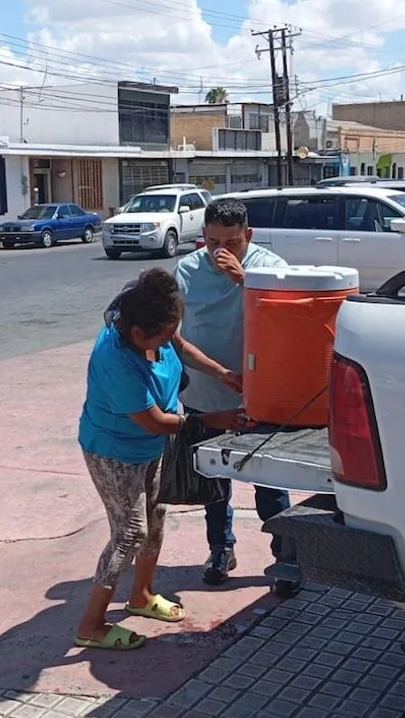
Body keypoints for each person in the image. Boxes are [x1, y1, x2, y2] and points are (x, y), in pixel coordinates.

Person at [74, 268, 242, 650]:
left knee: (156, 516)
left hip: (150, 447)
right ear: (137, 333)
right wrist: (211, 420)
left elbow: (179, 347)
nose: (170, 338)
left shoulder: (156, 326)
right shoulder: (115, 359)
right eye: (164, 334)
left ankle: (142, 595)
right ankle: (90, 625)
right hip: (113, 451)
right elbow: (153, 421)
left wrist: (222, 373)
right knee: (130, 532)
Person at [174, 199, 301, 597]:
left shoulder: (270, 267)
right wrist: (215, 372)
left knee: (269, 482)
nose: (221, 251)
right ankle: (220, 549)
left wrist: (244, 279)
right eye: (213, 242)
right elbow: (174, 334)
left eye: (231, 242)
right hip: (205, 393)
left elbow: (290, 320)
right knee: (212, 481)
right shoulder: (187, 269)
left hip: (260, 396)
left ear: (248, 235)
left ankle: (285, 558)